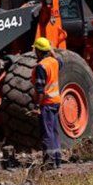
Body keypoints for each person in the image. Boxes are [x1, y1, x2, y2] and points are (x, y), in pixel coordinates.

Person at [31, 37, 63, 169]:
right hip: (56, 101)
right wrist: (52, 51)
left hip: (47, 103)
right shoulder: (54, 62)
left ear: (38, 51)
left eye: (35, 50)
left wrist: (37, 107)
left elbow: (40, 90)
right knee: (54, 132)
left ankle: (49, 162)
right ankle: (57, 161)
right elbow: (61, 61)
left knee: (47, 133)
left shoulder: (41, 66)